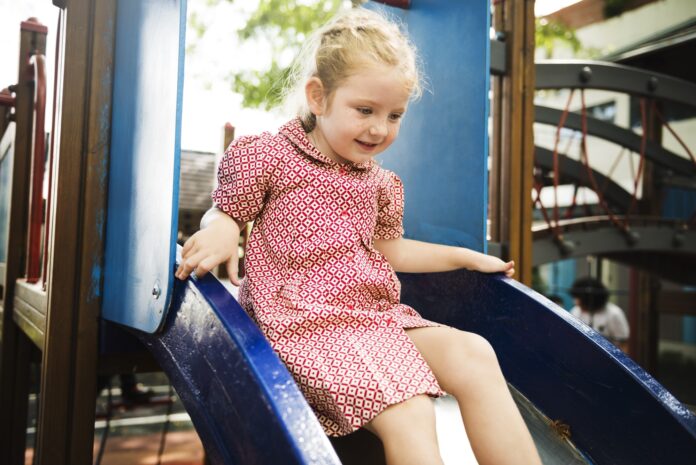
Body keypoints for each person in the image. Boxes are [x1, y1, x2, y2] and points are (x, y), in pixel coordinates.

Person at [176, 8, 541, 465]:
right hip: (300, 325)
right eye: (365, 110)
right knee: (410, 410)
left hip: (370, 318)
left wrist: (463, 256)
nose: (379, 128)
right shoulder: (271, 155)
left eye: (394, 115)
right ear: (318, 96)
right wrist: (226, 226)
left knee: (474, 352)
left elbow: (390, 248)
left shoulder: (377, 183)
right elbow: (224, 209)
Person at [570, 277, 630, 352]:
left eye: (578, 299)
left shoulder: (614, 313)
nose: (576, 302)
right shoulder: (575, 311)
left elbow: (624, 343)